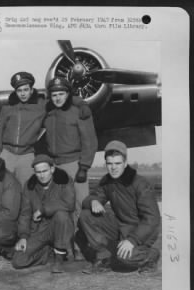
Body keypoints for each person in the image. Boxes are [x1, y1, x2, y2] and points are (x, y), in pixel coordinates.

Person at [78, 140, 161, 274]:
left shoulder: (140, 184)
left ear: (125, 163)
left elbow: (152, 219)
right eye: (109, 164)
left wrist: (133, 240)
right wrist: (93, 201)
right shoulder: (107, 181)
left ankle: (151, 255)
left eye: (117, 163)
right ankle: (104, 258)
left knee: (124, 258)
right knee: (86, 215)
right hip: (120, 226)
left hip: (141, 230)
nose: (113, 168)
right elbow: (92, 197)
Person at [43, 77, 98, 259]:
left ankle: (86, 246)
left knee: (81, 207)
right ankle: (66, 247)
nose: (57, 98)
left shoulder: (79, 112)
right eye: (54, 95)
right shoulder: (49, 112)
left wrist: (84, 166)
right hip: (56, 166)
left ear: (68, 94)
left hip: (74, 164)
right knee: (63, 208)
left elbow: (90, 141)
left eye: (61, 94)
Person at [12, 155, 75, 273]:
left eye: (45, 171)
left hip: (58, 227)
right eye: (38, 172)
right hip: (39, 230)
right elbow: (25, 213)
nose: (42, 175)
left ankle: (59, 258)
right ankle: (47, 252)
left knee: (61, 215)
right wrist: (23, 236)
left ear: (52, 169)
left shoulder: (64, 180)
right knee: (18, 261)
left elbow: (69, 204)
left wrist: (43, 210)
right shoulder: (29, 185)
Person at [0, 72, 46, 187]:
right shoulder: (7, 109)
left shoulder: (41, 108)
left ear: (32, 90)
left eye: (26, 90)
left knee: (26, 189)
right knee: (3, 188)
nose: (23, 94)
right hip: (7, 154)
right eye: (19, 90)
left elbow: (64, 98)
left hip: (27, 156)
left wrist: (82, 104)